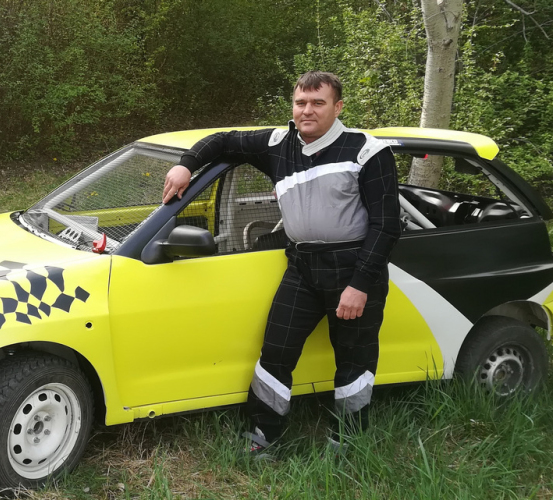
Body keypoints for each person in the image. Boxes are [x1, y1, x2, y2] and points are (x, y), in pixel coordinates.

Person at [162, 71, 401, 454]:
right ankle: (263, 436)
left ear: (338, 107)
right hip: (302, 266)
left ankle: (347, 441)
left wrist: (360, 284)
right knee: (276, 350)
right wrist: (185, 165)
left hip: (355, 268)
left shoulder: (367, 152)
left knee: (354, 362)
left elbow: (386, 226)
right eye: (300, 102)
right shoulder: (278, 144)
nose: (307, 110)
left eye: (318, 103)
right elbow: (223, 141)